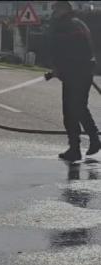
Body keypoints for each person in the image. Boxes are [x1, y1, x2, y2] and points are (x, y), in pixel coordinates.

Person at [47, 1, 100, 162]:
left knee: (71, 112)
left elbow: (68, 50)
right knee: (79, 108)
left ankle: (77, 148)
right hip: (81, 72)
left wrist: (61, 68)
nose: (53, 12)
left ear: (64, 9)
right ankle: (92, 140)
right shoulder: (78, 24)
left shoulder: (67, 25)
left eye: (56, 8)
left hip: (75, 74)